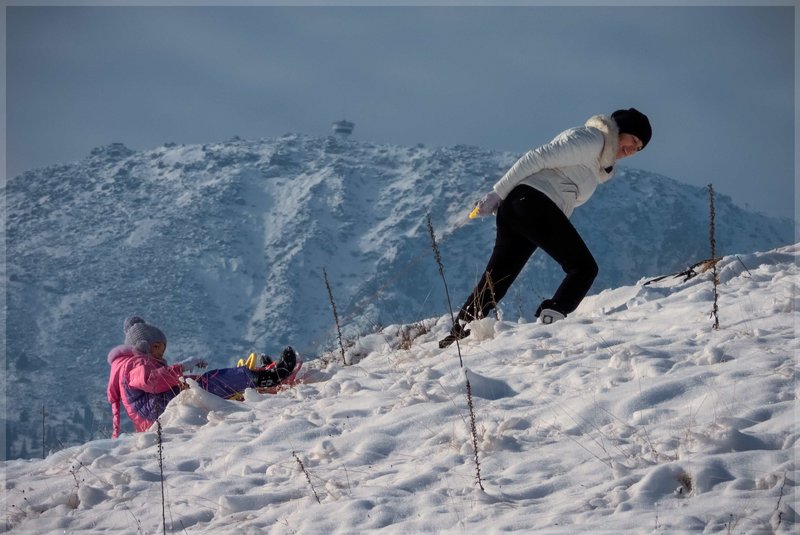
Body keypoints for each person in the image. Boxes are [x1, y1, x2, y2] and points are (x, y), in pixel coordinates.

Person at [439, 108, 652, 348]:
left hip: (523, 208)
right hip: (532, 203)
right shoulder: (592, 138)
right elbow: (537, 157)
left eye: (639, 148)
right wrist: (498, 193)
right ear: (619, 130)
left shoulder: (597, 160)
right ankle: (551, 320)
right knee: (583, 268)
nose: (633, 150)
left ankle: (455, 337)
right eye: (633, 140)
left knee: (497, 280)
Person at [107, 316, 297, 438]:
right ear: (142, 345)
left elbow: (160, 381)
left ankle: (255, 377)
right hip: (159, 413)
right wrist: (183, 367)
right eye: (157, 347)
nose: (161, 353)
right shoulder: (134, 364)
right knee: (209, 383)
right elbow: (153, 381)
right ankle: (269, 376)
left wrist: (187, 377)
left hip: (157, 410)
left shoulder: (130, 365)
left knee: (202, 381)